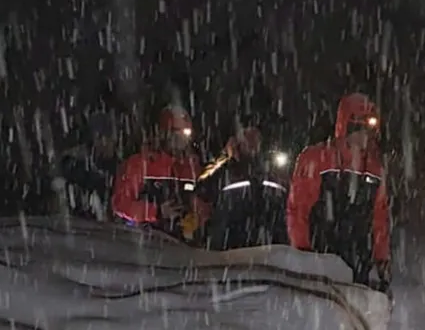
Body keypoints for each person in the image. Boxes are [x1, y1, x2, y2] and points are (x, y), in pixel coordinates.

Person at [286, 93, 390, 288]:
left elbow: (380, 217)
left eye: (368, 130)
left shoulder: (375, 169)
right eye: (357, 128)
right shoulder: (316, 158)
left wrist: (381, 258)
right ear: (345, 128)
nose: (362, 136)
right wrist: (302, 252)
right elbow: (298, 209)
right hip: (321, 258)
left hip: (359, 261)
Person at [111, 105, 209, 241]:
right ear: (163, 133)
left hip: (182, 245)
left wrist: (197, 218)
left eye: (185, 133)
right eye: (176, 133)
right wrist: (156, 212)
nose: (181, 140)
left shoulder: (191, 166)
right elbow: (121, 203)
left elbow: (201, 203)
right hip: (143, 242)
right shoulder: (139, 164)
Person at [198, 125, 291, 250]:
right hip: (231, 245)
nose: (252, 145)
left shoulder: (270, 172)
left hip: (265, 244)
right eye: (248, 140)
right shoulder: (224, 171)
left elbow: (284, 204)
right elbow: (202, 194)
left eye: (255, 140)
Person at [53, 112, 119, 221]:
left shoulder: (122, 165)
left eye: (109, 137)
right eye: (99, 137)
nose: (105, 142)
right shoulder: (74, 163)